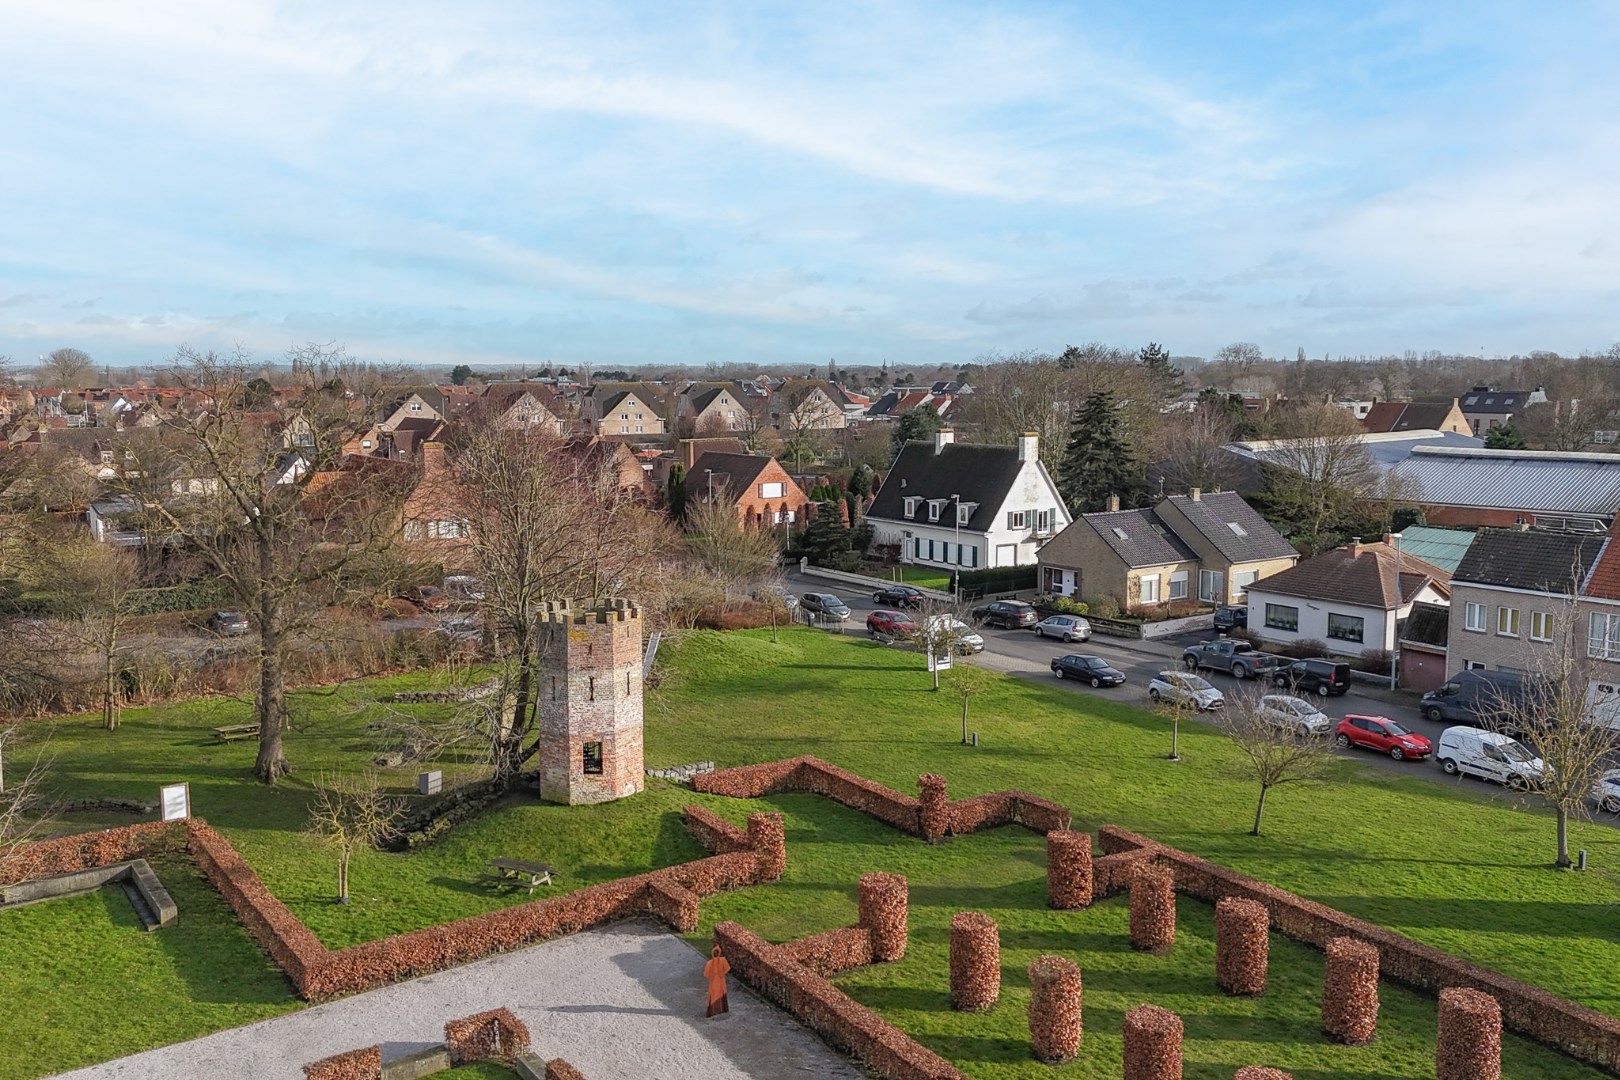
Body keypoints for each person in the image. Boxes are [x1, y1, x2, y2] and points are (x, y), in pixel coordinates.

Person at [704, 944, 731, 1017]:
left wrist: (712, 976)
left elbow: (706, 974)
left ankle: (713, 1011)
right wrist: (721, 973)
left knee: (713, 995)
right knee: (721, 993)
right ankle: (722, 1009)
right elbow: (727, 968)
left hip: (713, 981)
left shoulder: (710, 963)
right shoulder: (723, 960)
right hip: (721, 980)